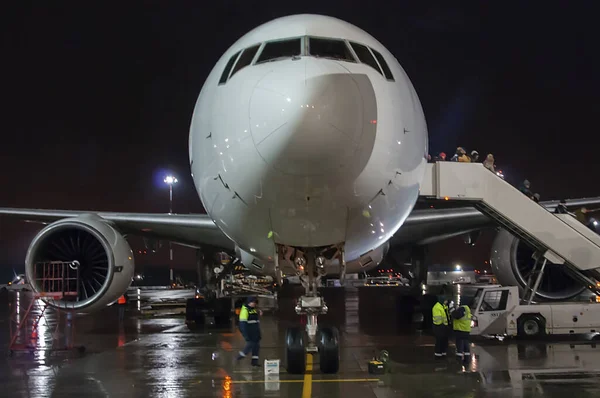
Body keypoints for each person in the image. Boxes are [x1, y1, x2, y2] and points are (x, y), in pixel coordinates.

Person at [237, 296, 262, 366]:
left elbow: (255, 321)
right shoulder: (245, 310)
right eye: (253, 302)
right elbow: (242, 325)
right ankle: (238, 357)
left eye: (255, 302)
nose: (254, 303)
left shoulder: (253, 309)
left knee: (256, 347)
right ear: (249, 302)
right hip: (250, 333)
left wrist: (259, 314)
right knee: (249, 346)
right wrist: (246, 335)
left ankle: (254, 362)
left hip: (255, 333)